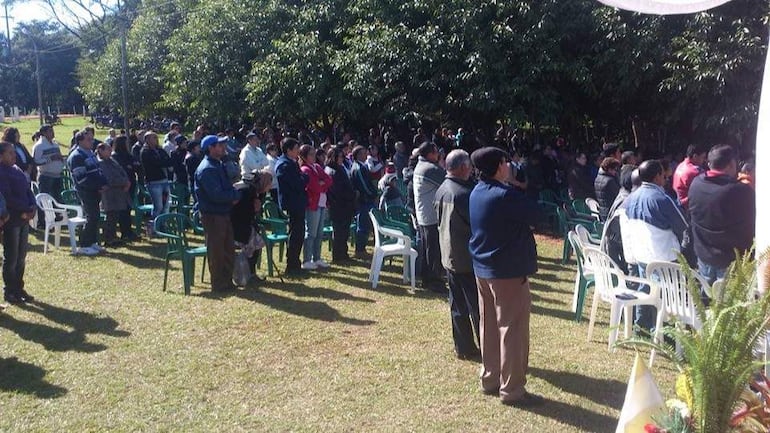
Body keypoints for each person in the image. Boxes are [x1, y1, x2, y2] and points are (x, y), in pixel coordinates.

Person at [468, 146, 543, 407]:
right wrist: (517, 184)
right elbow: (536, 213)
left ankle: (490, 379)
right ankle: (512, 389)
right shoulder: (504, 195)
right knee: (512, 328)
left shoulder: (477, 191)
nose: (510, 166)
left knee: (488, 324)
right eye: (506, 162)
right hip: (507, 272)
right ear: (500, 166)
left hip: (484, 268)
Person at [621, 160, 688, 332]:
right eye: (663, 175)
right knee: (669, 295)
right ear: (658, 176)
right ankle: (664, 332)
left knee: (646, 290)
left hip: (642, 254)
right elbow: (682, 225)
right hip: (664, 256)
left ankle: (641, 326)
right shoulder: (662, 198)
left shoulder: (629, 199)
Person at [434, 149, 480, 360]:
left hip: (449, 255)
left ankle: (463, 347)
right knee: (477, 308)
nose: (471, 171)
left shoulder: (442, 189)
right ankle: (486, 347)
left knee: (458, 305)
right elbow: (476, 224)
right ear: (463, 168)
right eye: (469, 167)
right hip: (466, 258)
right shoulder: (463, 194)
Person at [688, 145, 755, 284]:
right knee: (730, 302)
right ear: (732, 164)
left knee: (705, 298)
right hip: (730, 260)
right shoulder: (739, 191)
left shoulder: (696, 183)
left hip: (704, 254)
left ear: (709, 163)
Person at [195, 135, 242, 292]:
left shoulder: (218, 164)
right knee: (217, 250)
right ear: (210, 148)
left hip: (223, 213)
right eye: (219, 145)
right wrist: (233, 198)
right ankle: (219, 283)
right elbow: (216, 195)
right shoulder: (207, 169)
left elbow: (228, 187)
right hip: (213, 215)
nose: (223, 148)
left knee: (228, 248)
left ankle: (227, 281)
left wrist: (234, 195)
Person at [0, 141, 37, 304]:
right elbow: (7, 197)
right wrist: (23, 210)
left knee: (21, 256)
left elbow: (28, 190)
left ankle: (19, 287)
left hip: (24, 218)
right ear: (1, 157)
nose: (14, 155)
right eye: (10, 153)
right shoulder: (2, 173)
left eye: (14, 152)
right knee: (12, 257)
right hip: (12, 219)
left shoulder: (16, 169)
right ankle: (10, 290)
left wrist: (32, 206)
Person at [67, 130, 108, 255]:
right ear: (80, 141)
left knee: (95, 217)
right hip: (86, 191)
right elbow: (82, 178)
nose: (92, 142)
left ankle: (92, 242)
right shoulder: (76, 156)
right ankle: (84, 244)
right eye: (88, 139)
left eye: (92, 139)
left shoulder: (90, 153)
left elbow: (98, 171)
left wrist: (103, 183)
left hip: (96, 190)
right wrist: (97, 187)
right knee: (91, 216)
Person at [413, 142, 447, 293]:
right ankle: (435, 282)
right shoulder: (430, 169)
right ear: (429, 154)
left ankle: (427, 279)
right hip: (431, 216)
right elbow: (448, 181)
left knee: (428, 249)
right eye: (436, 152)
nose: (438, 154)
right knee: (434, 250)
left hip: (424, 215)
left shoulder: (421, 166)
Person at [275, 138, 307, 275]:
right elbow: (298, 183)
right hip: (292, 203)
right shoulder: (284, 165)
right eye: (296, 149)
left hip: (297, 202)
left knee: (298, 233)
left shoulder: (291, 163)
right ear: (288, 150)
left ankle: (295, 263)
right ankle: (292, 264)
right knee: (295, 234)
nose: (298, 152)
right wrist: (305, 177)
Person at [298, 145, 332, 270]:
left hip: (322, 202)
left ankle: (317, 258)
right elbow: (314, 187)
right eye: (311, 154)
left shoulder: (317, 167)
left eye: (314, 154)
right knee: (311, 232)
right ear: (304, 156)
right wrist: (321, 184)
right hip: (313, 204)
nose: (314, 156)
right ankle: (307, 259)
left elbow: (328, 180)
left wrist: (322, 184)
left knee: (319, 233)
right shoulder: (305, 169)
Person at [96, 142, 133, 245]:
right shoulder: (101, 163)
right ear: (101, 151)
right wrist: (123, 182)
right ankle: (109, 238)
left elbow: (122, 172)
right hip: (110, 194)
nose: (110, 151)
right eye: (107, 150)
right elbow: (109, 179)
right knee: (111, 216)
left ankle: (114, 237)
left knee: (116, 215)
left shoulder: (112, 161)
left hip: (119, 192)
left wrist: (127, 181)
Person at [325, 147, 356, 263]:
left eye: (343, 156)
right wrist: (351, 195)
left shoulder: (339, 168)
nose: (342, 159)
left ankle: (343, 253)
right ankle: (338, 256)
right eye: (340, 156)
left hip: (345, 205)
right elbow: (337, 191)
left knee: (344, 231)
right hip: (339, 205)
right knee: (339, 232)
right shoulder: (332, 171)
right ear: (333, 157)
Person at [32, 124, 64, 227]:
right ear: (44, 133)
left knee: (57, 197)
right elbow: (36, 161)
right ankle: (42, 221)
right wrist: (50, 159)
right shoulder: (39, 146)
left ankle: (58, 218)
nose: (52, 133)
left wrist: (60, 160)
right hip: (46, 176)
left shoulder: (55, 144)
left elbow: (59, 157)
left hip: (57, 175)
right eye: (50, 131)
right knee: (43, 199)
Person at [349, 145, 378, 258]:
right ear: (358, 155)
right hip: (364, 200)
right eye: (363, 153)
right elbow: (364, 185)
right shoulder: (358, 168)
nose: (366, 154)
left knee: (365, 225)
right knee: (362, 225)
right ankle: (360, 250)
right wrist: (373, 194)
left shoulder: (362, 166)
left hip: (366, 199)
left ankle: (362, 248)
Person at [140, 131, 173, 225]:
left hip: (164, 180)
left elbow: (169, 161)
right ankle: (154, 227)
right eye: (153, 138)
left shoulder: (160, 150)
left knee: (166, 205)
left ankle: (163, 226)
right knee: (158, 206)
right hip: (154, 182)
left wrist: (164, 161)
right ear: (147, 140)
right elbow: (157, 163)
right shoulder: (145, 152)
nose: (155, 140)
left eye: (156, 137)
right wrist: (163, 162)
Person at [672, 144, 707, 210]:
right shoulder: (694, 171)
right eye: (703, 157)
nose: (704, 160)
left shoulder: (681, 165)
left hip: (679, 202)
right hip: (689, 207)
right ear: (695, 156)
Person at [594, 157, 621, 221]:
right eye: (615, 169)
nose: (615, 171)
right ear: (609, 169)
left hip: (603, 211)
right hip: (612, 211)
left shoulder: (597, 178)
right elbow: (618, 195)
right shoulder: (610, 181)